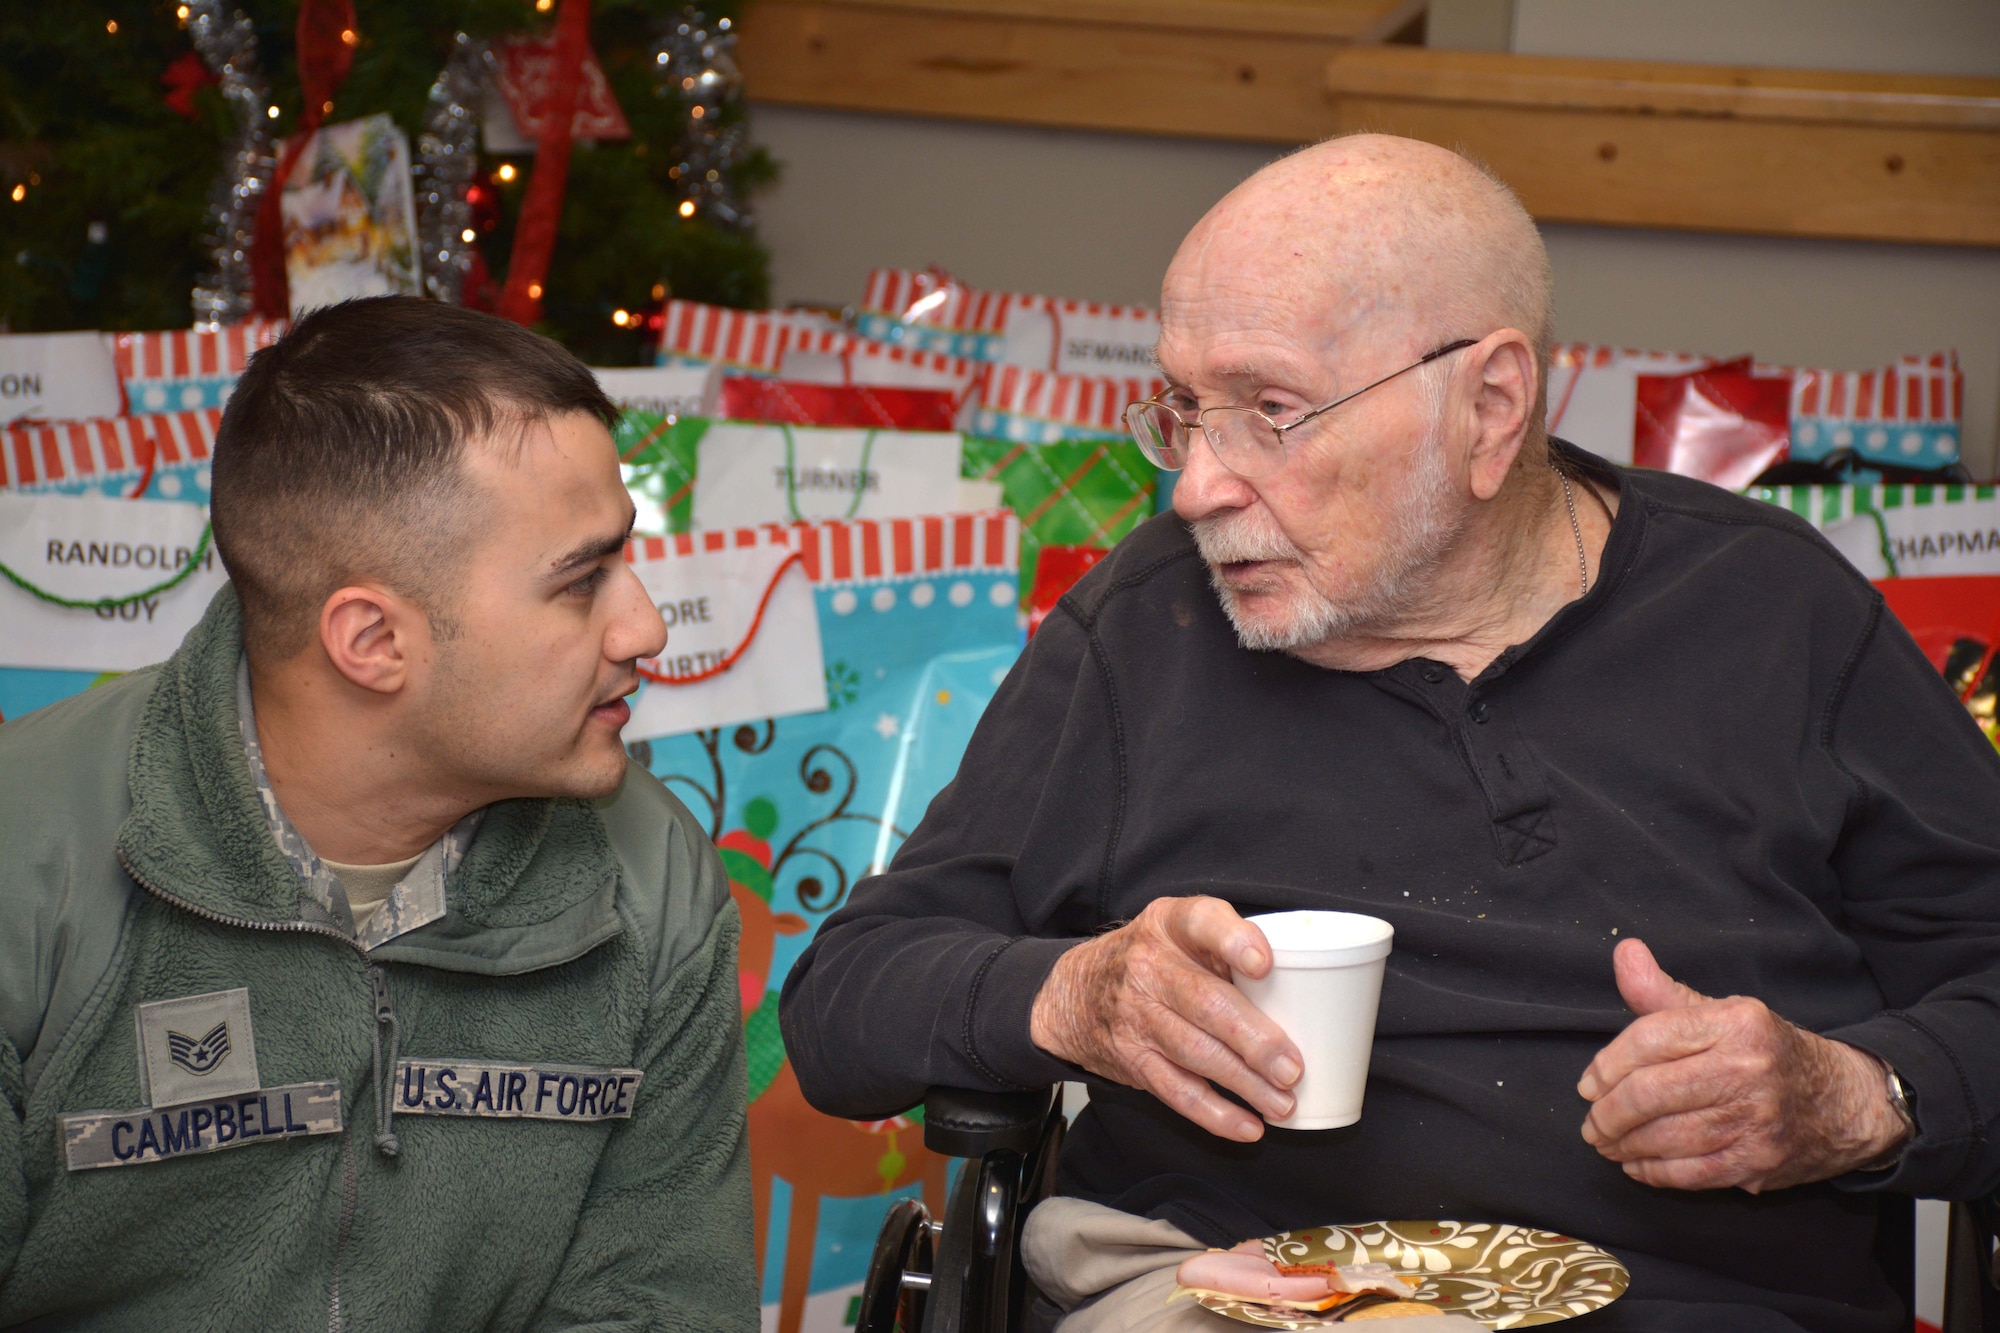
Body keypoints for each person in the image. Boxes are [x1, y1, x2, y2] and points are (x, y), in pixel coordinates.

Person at [780, 135, 2000, 1331]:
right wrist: (1073, 995)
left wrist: (1859, 1095)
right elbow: (844, 1001)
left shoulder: (1766, 612)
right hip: (1234, 1290)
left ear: (1487, 405)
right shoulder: (1146, 626)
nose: (1197, 484)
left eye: (1269, 409)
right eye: (1183, 411)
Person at [0, 297, 757, 1330]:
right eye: (581, 582)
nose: (645, 626)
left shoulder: (651, 875)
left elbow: (656, 1303)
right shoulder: (24, 856)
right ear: (371, 640)